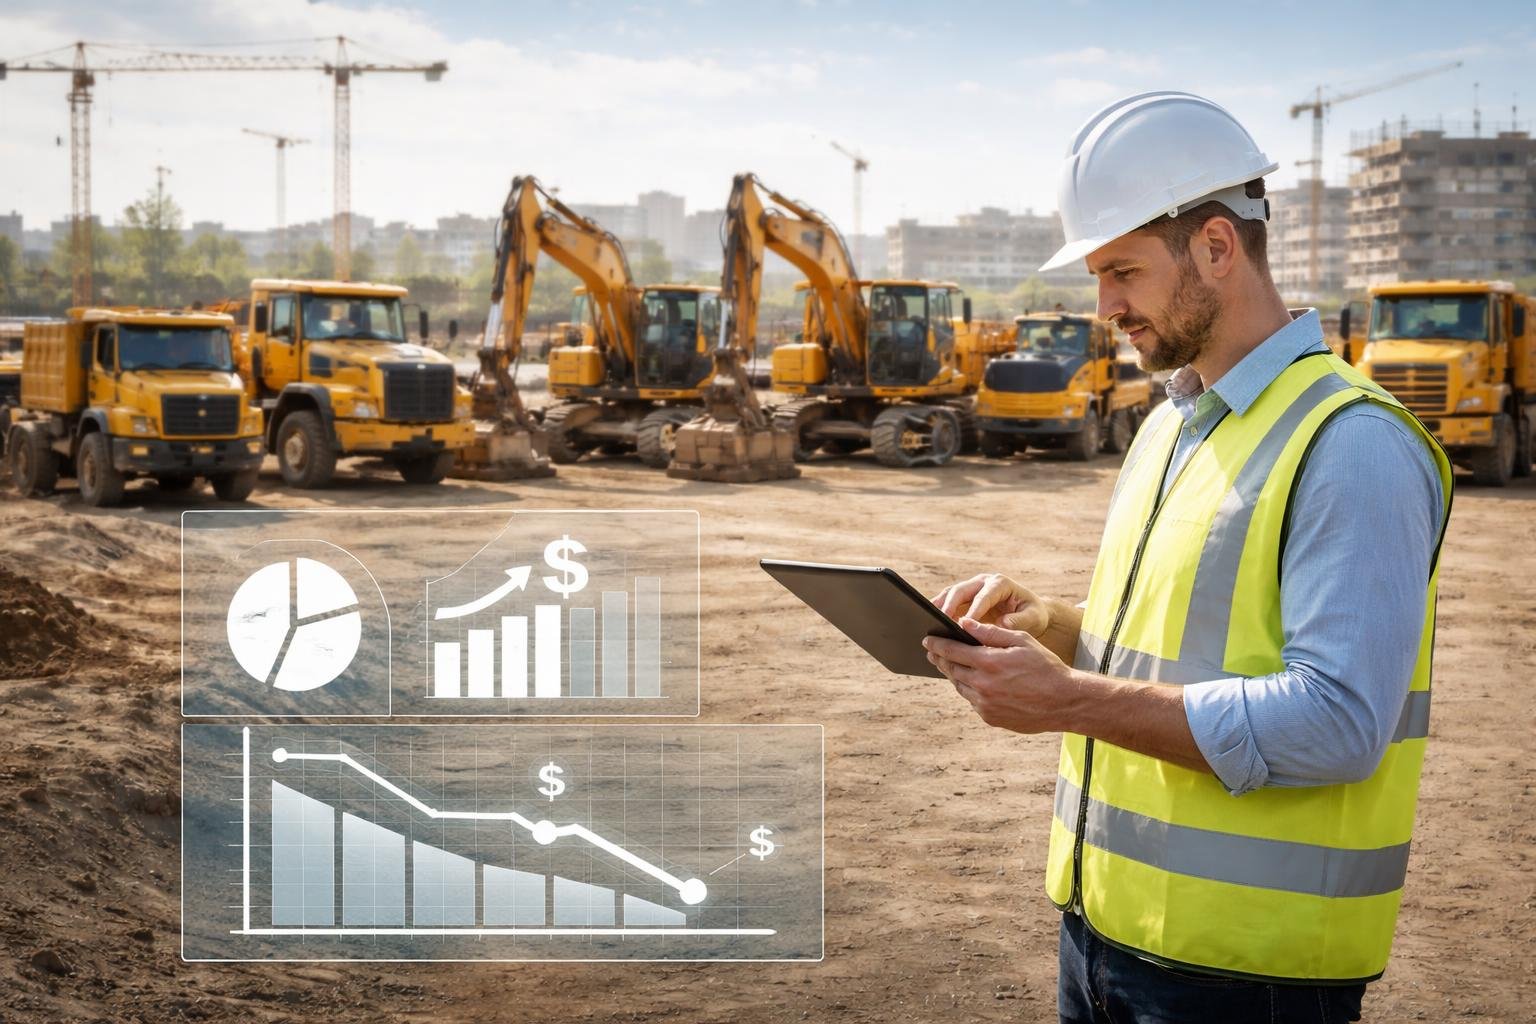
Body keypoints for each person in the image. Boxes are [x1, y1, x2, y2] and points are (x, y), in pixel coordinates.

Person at [922, 91, 1451, 1023]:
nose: (1105, 306)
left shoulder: (1351, 444)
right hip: (1101, 935)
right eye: (1097, 275)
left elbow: (1339, 722)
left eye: (1121, 271)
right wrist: (1046, 629)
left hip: (1246, 976)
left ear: (1216, 246)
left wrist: (1069, 702)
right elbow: (1169, 652)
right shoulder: (1170, 427)